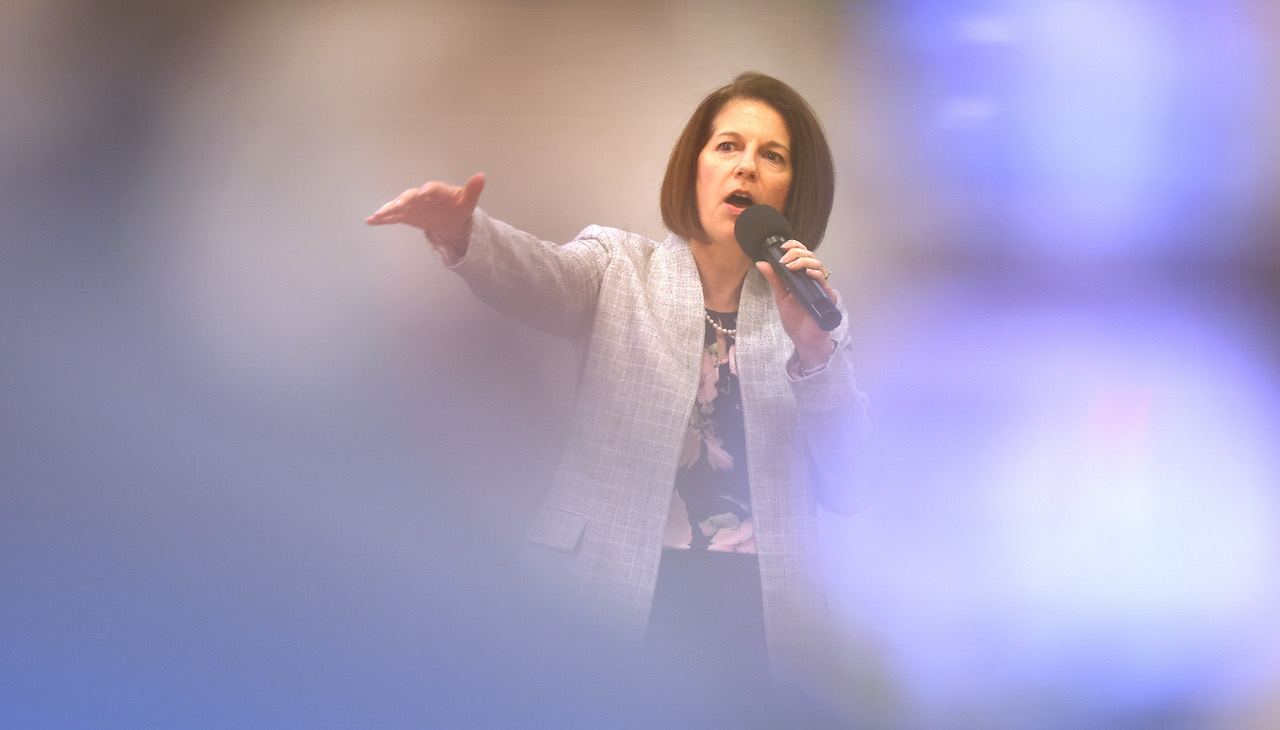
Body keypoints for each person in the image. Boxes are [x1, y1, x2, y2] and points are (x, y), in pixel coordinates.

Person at [366, 72, 877, 695]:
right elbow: (539, 277)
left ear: (794, 188)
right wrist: (464, 232)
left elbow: (853, 484)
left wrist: (816, 352)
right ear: (694, 168)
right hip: (618, 588)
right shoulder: (619, 267)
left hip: (761, 618)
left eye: (772, 156)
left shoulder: (816, 311)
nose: (746, 167)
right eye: (728, 147)